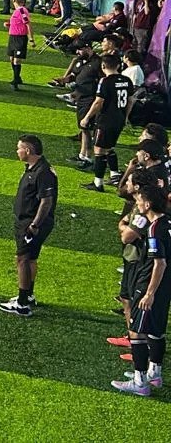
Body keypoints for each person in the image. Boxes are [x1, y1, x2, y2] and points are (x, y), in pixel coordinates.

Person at [114, 181, 168, 394]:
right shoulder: (167, 222)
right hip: (165, 286)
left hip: (149, 284)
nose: (137, 203)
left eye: (139, 200)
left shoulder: (153, 229)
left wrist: (149, 293)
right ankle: (155, 373)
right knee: (156, 330)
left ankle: (140, 382)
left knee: (136, 332)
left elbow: (160, 263)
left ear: (147, 204)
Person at [0, 134, 57, 317]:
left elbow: (46, 201)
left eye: (19, 148)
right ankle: (28, 295)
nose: (17, 151)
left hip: (31, 222)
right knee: (31, 258)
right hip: (29, 221)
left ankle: (22, 304)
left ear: (28, 150)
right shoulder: (36, 168)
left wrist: (34, 226)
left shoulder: (43, 172)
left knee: (22, 259)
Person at [82, 55, 133, 192]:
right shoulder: (127, 80)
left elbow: (98, 102)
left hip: (106, 120)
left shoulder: (105, 81)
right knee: (109, 147)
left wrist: (86, 117)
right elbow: (130, 100)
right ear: (118, 65)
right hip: (119, 119)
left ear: (103, 66)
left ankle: (98, 183)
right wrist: (126, 116)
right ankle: (114, 174)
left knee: (99, 150)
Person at [7, 0, 32, 91]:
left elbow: (28, 24)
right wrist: (9, 25)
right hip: (13, 37)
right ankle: (18, 77)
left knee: (17, 60)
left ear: (14, 1)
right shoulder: (17, 11)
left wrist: (31, 39)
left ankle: (15, 81)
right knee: (12, 59)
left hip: (20, 38)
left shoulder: (22, 10)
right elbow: (19, 23)